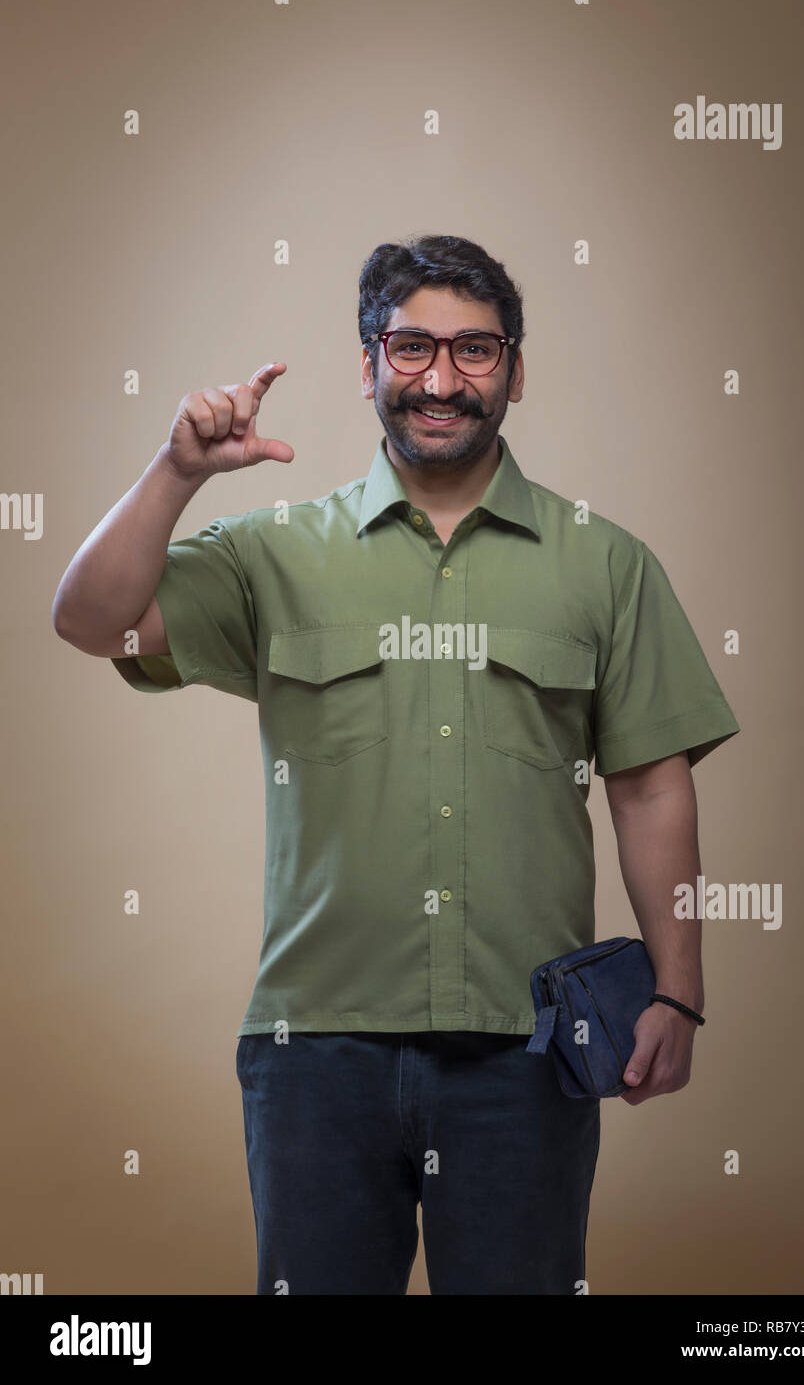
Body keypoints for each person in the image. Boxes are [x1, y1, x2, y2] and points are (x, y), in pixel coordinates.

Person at [52, 233, 740, 1295]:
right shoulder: (270, 554)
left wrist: (677, 995)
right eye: (411, 346)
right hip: (314, 1052)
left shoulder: (605, 563)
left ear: (514, 370)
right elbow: (91, 620)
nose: (440, 379)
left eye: (474, 351)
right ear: (367, 362)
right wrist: (177, 471)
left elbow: (650, 785)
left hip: (525, 1054)